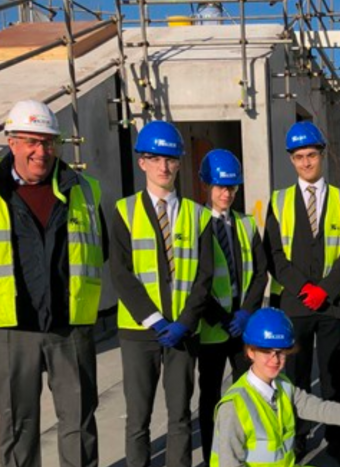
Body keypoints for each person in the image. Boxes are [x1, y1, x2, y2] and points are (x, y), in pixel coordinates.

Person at [0, 100, 106, 467]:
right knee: (16, 428)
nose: (41, 151)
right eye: (31, 141)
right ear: (11, 142)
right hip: (13, 329)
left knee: (79, 424)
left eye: (48, 142)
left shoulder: (84, 190)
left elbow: (100, 250)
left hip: (70, 327)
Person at [110, 120, 214, 467]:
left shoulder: (198, 216)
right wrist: (154, 320)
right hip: (139, 332)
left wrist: (185, 322)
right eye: (155, 159)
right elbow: (121, 274)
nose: (163, 167)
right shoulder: (124, 211)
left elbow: (205, 276)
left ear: (179, 163)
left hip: (183, 331)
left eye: (170, 159)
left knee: (180, 415)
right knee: (138, 419)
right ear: (142, 162)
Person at [263, 121, 340, 464]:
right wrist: (304, 289)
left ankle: (337, 437)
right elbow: (273, 254)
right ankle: (298, 436)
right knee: (296, 377)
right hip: (295, 304)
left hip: (333, 305)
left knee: (334, 378)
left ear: (322, 155)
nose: (306, 162)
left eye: (311, 155)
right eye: (299, 156)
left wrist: (326, 291)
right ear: (292, 160)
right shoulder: (279, 202)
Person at [211, 307, 340, 466]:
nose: (275, 360)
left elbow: (320, 409)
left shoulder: (283, 385)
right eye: (267, 352)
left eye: (281, 352)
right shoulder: (233, 407)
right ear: (250, 352)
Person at [197, 149, 269, 462]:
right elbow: (193, 279)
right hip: (212, 328)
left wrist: (246, 312)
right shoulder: (196, 223)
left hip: (243, 327)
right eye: (220, 187)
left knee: (248, 392)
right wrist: (221, 316)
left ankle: (247, 452)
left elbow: (261, 273)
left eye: (232, 188)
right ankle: (214, 456)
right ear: (207, 186)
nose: (226, 193)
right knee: (211, 397)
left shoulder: (247, 224)